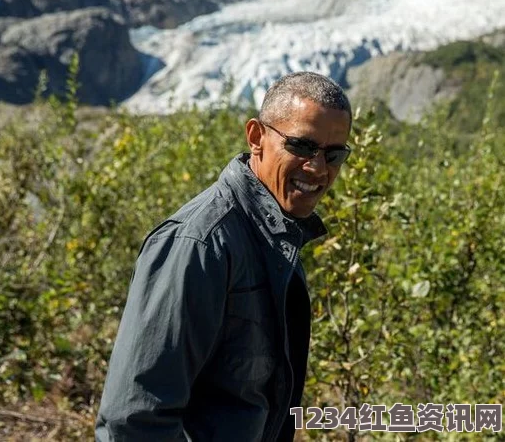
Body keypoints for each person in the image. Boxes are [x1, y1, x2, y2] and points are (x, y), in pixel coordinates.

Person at [95, 71, 352, 441]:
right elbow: (133, 419)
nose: (318, 168)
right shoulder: (199, 243)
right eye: (301, 146)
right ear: (256, 137)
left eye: (334, 154)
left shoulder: (276, 231)